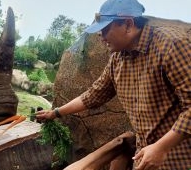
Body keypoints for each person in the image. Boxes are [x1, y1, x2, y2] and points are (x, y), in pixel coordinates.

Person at [36, 0, 191, 169]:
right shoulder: (117, 59)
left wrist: (162, 147)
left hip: (178, 156)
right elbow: (93, 95)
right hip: (143, 155)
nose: (100, 36)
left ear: (128, 24)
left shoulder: (171, 45)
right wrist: (55, 113)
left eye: (105, 29)